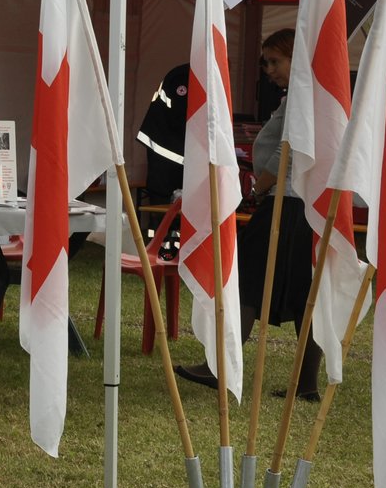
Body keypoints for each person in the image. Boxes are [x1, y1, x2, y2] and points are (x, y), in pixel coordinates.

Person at [175, 29, 322, 400]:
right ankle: (304, 385)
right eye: (265, 61)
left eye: (275, 61)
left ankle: (219, 368)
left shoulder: (302, 98)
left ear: (295, 58)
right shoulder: (304, 96)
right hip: (303, 206)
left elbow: (283, 155)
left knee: (242, 283)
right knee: (305, 294)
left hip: (285, 203)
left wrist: (256, 189)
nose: (268, 69)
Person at [135, 62, 190, 205]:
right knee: (161, 213)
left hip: (179, 157)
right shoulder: (183, 77)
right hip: (165, 155)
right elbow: (184, 120)